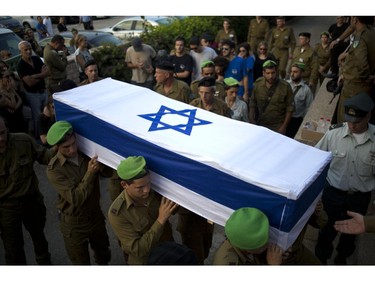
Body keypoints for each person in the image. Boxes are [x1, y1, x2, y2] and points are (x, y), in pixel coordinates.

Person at [314, 92, 375, 265]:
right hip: (332, 194)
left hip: (359, 198)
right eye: (349, 120)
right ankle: (321, 259)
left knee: (351, 235)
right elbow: (315, 162)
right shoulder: (333, 135)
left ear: (368, 116)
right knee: (326, 230)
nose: (352, 126)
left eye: (357, 122)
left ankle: (342, 257)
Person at [46, 120, 112, 265]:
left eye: (74, 143)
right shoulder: (55, 170)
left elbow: (108, 173)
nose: (72, 150)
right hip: (74, 224)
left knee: (104, 254)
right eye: (66, 147)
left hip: (95, 215)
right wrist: (90, 173)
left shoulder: (86, 152)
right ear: (57, 147)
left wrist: (103, 163)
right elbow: (76, 198)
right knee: (80, 263)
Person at [0, 116, 56, 265]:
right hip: (6, 208)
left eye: (2, 133)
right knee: (13, 249)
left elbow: (45, 156)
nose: (1, 139)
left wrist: (60, 143)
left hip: (30, 200)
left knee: (39, 239)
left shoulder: (23, 141)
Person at [108, 156, 178, 265]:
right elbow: (138, 250)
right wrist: (160, 221)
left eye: (148, 183)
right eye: (140, 187)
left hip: (168, 249)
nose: (147, 190)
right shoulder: (118, 214)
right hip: (147, 261)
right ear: (124, 185)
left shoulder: (155, 191)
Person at [336, 16, 375, 124]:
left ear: (355, 19)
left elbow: (361, 63)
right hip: (366, 87)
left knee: (346, 119)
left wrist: (367, 77)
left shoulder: (360, 36)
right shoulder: (371, 32)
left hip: (355, 87)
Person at [213, 207, 284, 265]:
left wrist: (277, 253)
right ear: (247, 248)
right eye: (262, 246)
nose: (268, 244)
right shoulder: (226, 264)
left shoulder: (239, 239)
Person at [249, 60, 294, 134]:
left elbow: (290, 109)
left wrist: (283, 127)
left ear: (277, 72)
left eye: (273, 73)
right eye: (268, 73)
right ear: (263, 73)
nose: (271, 76)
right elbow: (252, 102)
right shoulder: (258, 84)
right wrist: (251, 119)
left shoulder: (285, 87)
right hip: (261, 123)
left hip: (277, 125)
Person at [16, 41, 49, 138]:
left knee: (47, 114)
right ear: (20, 52)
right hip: (33, 94)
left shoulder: (36, 59)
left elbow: (48, 72)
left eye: (30, 49)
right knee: (37, 117)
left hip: (43, 91)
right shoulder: (20, 65)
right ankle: (39, 138)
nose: (28, 51)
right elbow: (29, 82)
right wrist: (42, 75)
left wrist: (35, 76)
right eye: (25, 50)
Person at [286, 62, 313, 138]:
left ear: (302, 73)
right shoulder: (286, 84)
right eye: (291, 71)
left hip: (295, 121)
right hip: (283, 118)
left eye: (295, 72)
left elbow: (308, 108)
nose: (292, 74)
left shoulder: (306, 90)